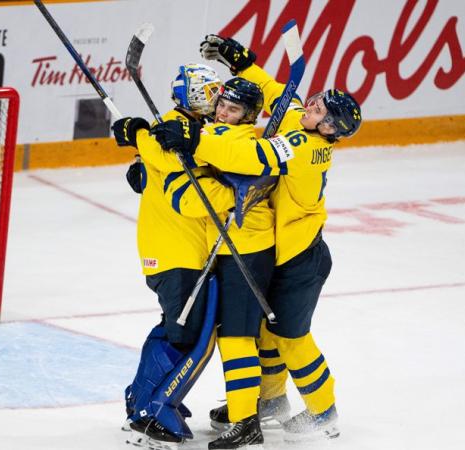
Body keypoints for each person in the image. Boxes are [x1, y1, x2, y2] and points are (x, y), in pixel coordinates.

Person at [151, 34, 362, 443]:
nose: (310, 103)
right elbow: (277, 94)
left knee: (290, 337)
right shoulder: (304, 127)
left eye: (318, 107)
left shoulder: (305, 147)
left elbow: (252, 158)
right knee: (266, 333)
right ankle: (269, 403)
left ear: (330, 126)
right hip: (283, 251)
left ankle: (324, 411)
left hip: (301, 259)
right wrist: (244, 65)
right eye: (315, 99)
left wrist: (195, 138)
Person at [155, 77, 276, 450]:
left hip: (245, 250)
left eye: (234, 109)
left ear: (249, 116)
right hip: (229, 247)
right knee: (233, 335)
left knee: (237, 337)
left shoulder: (236, 142)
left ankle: (246, 422)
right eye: (222, 104)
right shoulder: (219, 133)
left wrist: (160, 137)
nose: (223, 111)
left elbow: (200, 149)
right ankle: (247, 409)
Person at [110, 63, 223, 446]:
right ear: (192, 96)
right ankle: (151, 409)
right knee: (188, 336)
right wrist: (142, 134)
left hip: (178, 248)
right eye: (210, 92)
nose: (217, 99)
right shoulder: (171, 133)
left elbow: (146, 174)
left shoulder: (187, 131)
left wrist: (140, 140)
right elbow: (171, 160)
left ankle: (142, 397)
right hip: (177, 252)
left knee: (178, 328)